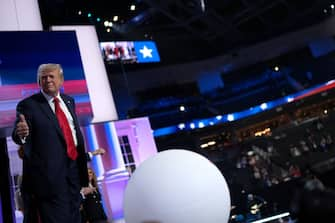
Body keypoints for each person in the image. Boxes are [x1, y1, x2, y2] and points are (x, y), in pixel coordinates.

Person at [12, 63, 89, 223]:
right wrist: (22, 134)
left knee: (76, 218)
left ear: (61, 80)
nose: (47, 80)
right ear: (39, 82)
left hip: (74, 172)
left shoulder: (69, 101)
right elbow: (18, 134)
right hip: (49, 180)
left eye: (51, 76)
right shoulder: (28, 105)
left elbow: (73, 134)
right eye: (43, 77)